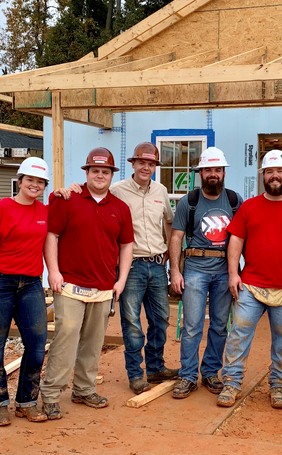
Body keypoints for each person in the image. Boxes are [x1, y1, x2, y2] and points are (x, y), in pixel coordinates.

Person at [60, 142, 179, 394]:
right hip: (132, 266)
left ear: (155, 167)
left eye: (151, 164)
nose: (146, 168)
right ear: (133, 164)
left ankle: (156, 367)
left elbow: (168, 221)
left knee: (160, 320)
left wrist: (168, 251)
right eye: (141, 163)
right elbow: (93, 194)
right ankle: (136, 374)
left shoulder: (161, 190)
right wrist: (70, 188)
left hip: (157, 265)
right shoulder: (118, 190)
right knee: (132, 322)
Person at [218, 150, 282, 409]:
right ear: (263, 175)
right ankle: (231, 382)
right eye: (270, 171)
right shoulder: (249, 207)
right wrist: (233, 273)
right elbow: (236, 240)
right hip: (250, 284)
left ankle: (279, 386)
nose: (275, 176)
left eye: (279, 171)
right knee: (239, 334)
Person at [40, 148, 134, 420]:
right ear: (87, 172)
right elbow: (52, 236)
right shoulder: (67, 199)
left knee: (93, 342)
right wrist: (53, 272)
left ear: (112, 175)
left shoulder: (120, 208)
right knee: (67, 335)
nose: (100, 175)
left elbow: (126, 245)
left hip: (104, 287)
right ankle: (51, 393)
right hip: (69, 283)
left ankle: (83, 389)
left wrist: (121, 281)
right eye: (95, 170)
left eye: (105, 172)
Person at [0, 156, 50, 426]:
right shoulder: (2, 209)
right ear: (20, 181)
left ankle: (26, 401)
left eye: (40, 182)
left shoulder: (44, 211)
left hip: (31, 284)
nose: (34, 185)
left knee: (37, 345)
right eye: (30, 180)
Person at [169, 147, 243, 399]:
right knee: (191, 326)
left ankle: (211, 371)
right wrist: (175, 272)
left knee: (221, 326)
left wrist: (242, 272)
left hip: (225, 272)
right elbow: (176, 237)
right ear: (200, 173)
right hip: (195, 270)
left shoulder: (234, 201)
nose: (213, 174)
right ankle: (188, 375)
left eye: (217, 170)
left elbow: (242, 238)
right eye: (208, 170)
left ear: (223, 172)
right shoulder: (188, 202)